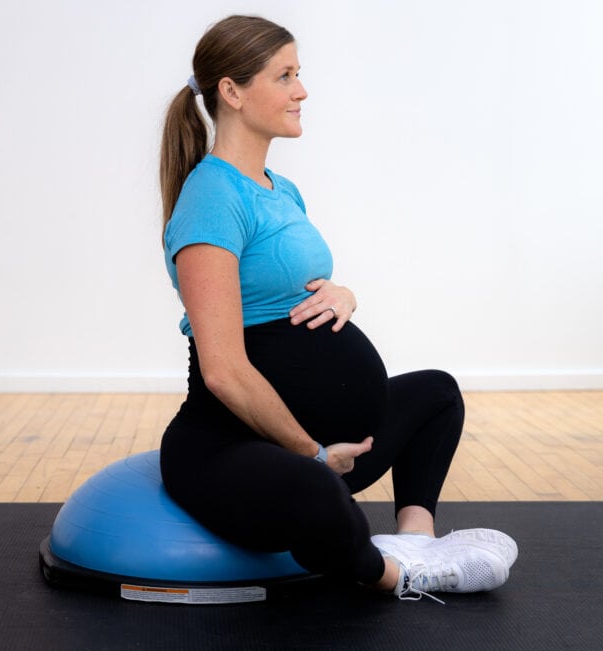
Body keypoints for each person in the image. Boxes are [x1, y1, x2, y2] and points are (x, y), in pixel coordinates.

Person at [157, 15, 517, 601]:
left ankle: (416, 540)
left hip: (335, 448)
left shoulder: (280, 188)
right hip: (233, 445)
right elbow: (223, 369)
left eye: (299, 74)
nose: (302, 91)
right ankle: (402, 578)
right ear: (232, 92)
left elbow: (289, 286)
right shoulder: (211, 197)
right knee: (311, 488)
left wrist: (344, 295)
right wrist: (313, 453)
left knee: (436, 393)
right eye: (285, 76)